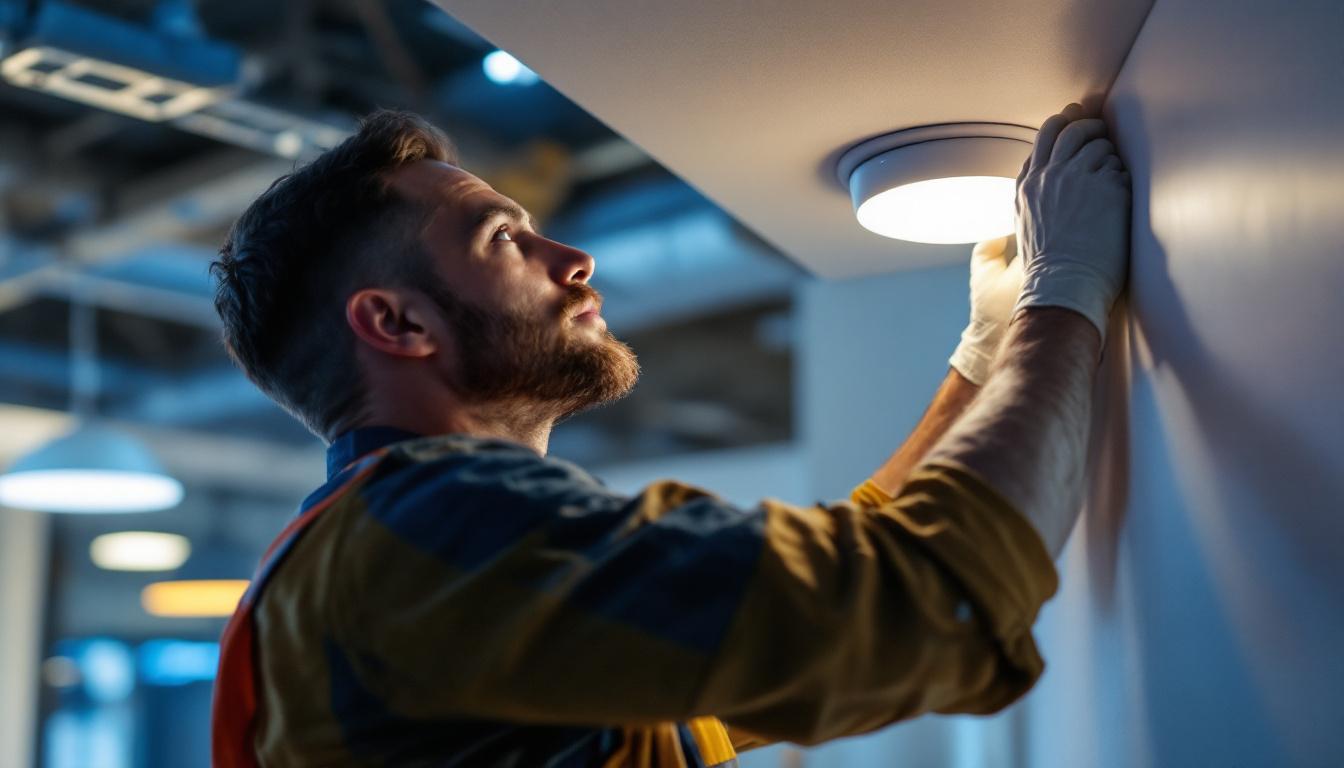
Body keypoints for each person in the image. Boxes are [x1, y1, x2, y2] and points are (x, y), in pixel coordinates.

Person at [208, 101, 1129, 767]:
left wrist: (983, 359)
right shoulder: (433, 526)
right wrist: (1063, 299)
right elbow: (922, 607)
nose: (575, 260)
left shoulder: (378, 556)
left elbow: (817, 611)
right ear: (398, 324)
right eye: (503, 239)